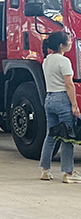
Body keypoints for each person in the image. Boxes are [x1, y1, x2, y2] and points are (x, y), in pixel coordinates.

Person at [39, 31, 81, 183]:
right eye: (68, 41)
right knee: (67, 137)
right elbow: (69, 85)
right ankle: (68, 173)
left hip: (49, 99)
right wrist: (74, 105)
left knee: (51, 135)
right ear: (61, 45)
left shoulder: (47, 60)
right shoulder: (64, 61)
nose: (70, 43)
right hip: (62, 99)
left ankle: (45, 170)